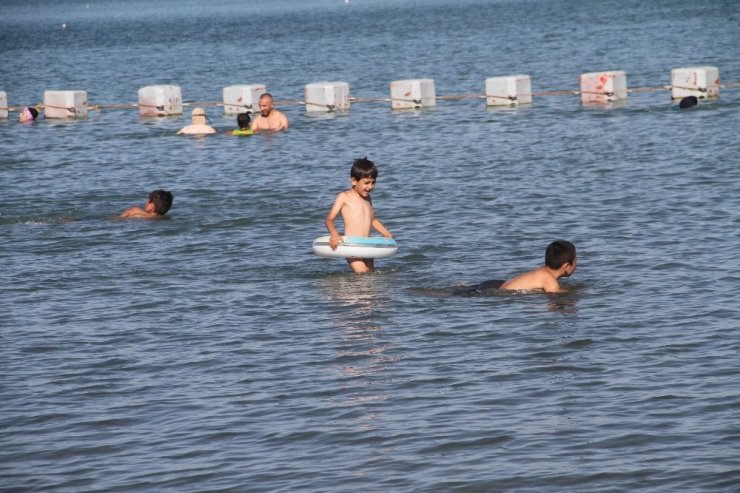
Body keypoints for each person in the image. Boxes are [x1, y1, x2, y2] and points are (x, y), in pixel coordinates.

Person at [325, 157, 393, 273]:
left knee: (370, 275)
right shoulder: (344, 197)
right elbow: (329, 219)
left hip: (367, 244)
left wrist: (387, 234)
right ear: (354, 181)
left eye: (373, 183)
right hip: (352, 246)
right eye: (366, 183)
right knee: (362, 274)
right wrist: (334, 234)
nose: (370, 187)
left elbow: (372, 220)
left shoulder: (368, 198)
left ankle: (352, 291)